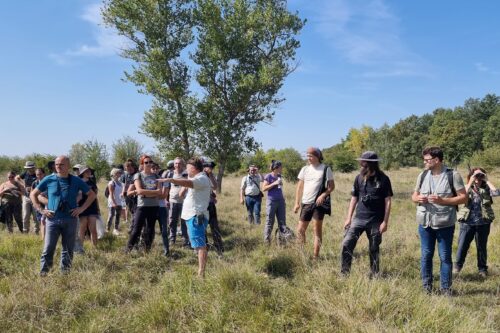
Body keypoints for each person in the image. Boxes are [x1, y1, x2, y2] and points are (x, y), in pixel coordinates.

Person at [411, 146, 467, 295]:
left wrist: (442, 200)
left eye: (427, 160)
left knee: (445, 257)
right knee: (426, 255)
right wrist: (418, 198)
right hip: (425, 223)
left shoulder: (453, 175)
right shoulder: (422, 175)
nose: (424, 163)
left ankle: (446, 289)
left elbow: (463, 197)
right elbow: (413, 196)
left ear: (436, 160)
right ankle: (426, 288)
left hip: (445, 224)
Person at [30, 156, 96, 275]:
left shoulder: (76, 180)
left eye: (61, 164)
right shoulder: (49, 179)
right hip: (52, 219)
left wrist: (81, 209)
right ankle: (44, 273)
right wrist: (41, 210)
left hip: (70, 219)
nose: (58, 167)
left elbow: (91, 195)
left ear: (68, 166)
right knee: (48, 248)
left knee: (68, 249)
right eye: (56, 164)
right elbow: (33, 194)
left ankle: (65, 274)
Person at [341, 151, 393, 276]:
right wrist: (348, 218)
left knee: (374, 248)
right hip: (358, 219)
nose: (361, 164)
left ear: (371, 164)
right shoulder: (358, 178)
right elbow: (354, 198)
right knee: (347, 244)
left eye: (363, 162)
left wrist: (385, 221)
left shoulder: (384, 179)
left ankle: (374, 274)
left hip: (376, 221)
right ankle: (344, 274)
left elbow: (388, 201)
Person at [158, 157, 211, 277]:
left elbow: (189, 183)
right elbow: (182, 193)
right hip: (192, 216)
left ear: (194, 168)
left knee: (200, 245)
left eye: (188, 167)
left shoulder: (201, 178)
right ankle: (200, 270)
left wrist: (172, 179)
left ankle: (201, 274)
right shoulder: (196, 178)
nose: (186, 170)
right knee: (198, 245)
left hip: (196, 216)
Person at [454, 168, 499, 278]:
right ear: (471, 175)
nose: (478, 178)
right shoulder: (467, 187)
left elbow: (497, 193)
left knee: (481, 247)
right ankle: (456, 269)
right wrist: (470, 181)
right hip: (467, 222)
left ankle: (482, 270)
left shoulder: (486, 187)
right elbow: (460, 195)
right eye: (476, 175)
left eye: (480, 175)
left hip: (483, 223)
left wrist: (486, 180)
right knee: (462, 246)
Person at [294, 147, 334, 259]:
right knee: (300, 230)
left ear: (317, 157)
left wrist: (323, 195)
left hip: (318, 204)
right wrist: (296, 203)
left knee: (316, 230)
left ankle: (315, 257)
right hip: (305, 203)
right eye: (307, 156)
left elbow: (331, 187)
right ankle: (301, 255)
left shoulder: (325, 169)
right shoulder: (305, 169)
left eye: (311, 156)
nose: (308, 158)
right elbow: (299, 187)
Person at [125, 156, 161, 253]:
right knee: (136, 229)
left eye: (150, 162)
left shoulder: (157, 176)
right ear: (142, 164)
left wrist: (146, 193)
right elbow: (139, 191)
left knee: (150, 229)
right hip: (142, 206)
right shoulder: (138, 175)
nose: (149, 164)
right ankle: (127, 250)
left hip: (154, 206)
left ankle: (147, 251)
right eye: (146, 162)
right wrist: (152, 192)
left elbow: (159, 192)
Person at [262, 160, 288, 244]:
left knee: (282, 222)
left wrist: (283, 199)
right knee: (270, 221)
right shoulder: (268, 176)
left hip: (280, 201)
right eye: (281, 167)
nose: (282, 168)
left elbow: (280, 188)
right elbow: (264, 188)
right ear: (276, 168)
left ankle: (282, 241)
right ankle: (267, 241)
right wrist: (274, 183)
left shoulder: (279, 175)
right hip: (271, 201)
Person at [168, 157, 189, 246]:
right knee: (172, 220)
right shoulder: (170, 174)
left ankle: (185, 239)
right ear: (174, 164)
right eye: (176, 163)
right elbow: (167, 187)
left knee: (183, 220)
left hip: (184, 201)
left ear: (183, 164)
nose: (177, 165)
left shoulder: (186, 174)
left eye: (179, 163)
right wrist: (166, 199)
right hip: (173, 200)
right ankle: (172, 238)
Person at [203, 160, 224, 254]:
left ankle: (219, 249)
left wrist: (210, 174)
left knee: (214, 227)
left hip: (210, 205)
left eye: (211, 167)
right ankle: (204, 248)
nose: (209, 169)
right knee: (202, 228)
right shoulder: (199, 176)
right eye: (207, 167)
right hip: (201, 207)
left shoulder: (211, 176)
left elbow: (215, 186)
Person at [77, 166, 99, 247]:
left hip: (92, 207)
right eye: (87, 171)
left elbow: (95, 195)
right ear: (82, 173)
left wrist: (98, 208)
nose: (89, 172)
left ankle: (95, 247)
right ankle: (80, 248)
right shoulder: (78, 182)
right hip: (81, 208)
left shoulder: (92, 182)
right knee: (82, 229)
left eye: (89, 171)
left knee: (93, 229)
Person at [16, 161, 39, 234]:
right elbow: (17, 178)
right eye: (28, 168)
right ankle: (25, 232)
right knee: (25, 215)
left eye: (30, 168)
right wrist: (23, 185)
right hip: (26, 197)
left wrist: (34, 188)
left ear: (33, 167)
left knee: (36, 216)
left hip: (35, 197)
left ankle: (36, 232)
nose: (29, 169)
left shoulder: (37, 174)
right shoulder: (25, 173)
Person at [107, 168, 123, 235]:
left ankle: (115, 229)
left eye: (119, 173)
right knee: (111, 215)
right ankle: (107, 229)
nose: (119, 174)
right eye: (117, 173)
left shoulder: (120, 183)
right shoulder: (111, 183)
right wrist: (114, 202)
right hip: (112, 202)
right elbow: (111, 193)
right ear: (113, 174)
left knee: (118, 215)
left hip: (119, 202)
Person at [32, 168, 47, 239]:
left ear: (44, 174)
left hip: (47, 204)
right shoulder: (34, 183)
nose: (39, 176)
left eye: (40, 174)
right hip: (38, 205)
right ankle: (43, 238)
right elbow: (32, 194)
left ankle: (46, 237)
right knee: (41, 220)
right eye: (37, 174)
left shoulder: (48, 182)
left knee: (44, 220)